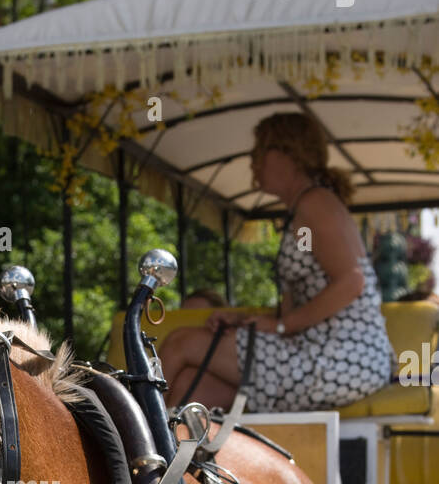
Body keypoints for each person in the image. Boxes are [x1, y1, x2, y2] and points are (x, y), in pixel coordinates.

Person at [159, 113, 397, 411]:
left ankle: (137, 448)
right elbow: (305, 300)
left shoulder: (315, 202)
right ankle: (175, 452)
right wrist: (244, 320)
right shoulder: (304, 207)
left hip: (341, 359)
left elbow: (352, 281)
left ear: (289, 153)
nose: (252, 162)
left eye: (260, 151)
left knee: (180, 343)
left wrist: (281, 326)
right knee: (191, 387)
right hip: (327, 354)